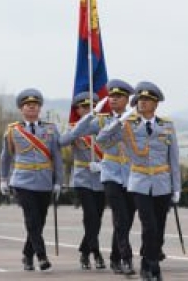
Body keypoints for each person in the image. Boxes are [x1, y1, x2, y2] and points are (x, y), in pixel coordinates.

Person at [97, 81, 181, 281]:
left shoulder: (167, 126)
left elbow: (174, 158)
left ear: (155, 104)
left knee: (159, 229)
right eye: (140, 99)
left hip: (162, 183)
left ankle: (147, 263)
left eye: (147, 100)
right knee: (148, 225)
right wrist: (119, 121)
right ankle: (152, 267)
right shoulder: (128, 125)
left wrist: (176, 187)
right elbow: (102, 139)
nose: (142, 103)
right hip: (139, 182)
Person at [64, 79, 137, 275]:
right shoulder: (102, 120)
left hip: (132, 175)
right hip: (110, 173)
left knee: (127, 220)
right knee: (120, 217)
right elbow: (74, 134)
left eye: (118, 96)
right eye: (111, 96)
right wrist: (91, 114)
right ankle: (126, 259)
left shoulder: (135, 119)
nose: (113, 99)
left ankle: (115, 257)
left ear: (127, 99)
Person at [0, 88, 64, 272]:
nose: (32, 108)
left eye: (35, 105)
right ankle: (41, 256)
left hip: (44, 181)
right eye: (28, 105)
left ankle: (27, 255)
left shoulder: (50, 129)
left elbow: (57, 157)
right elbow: (5, 157)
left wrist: (59, 181)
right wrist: (4, 179)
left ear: (40, 108)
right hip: (22, 181)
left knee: (40, 221)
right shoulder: (13, 130)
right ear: (22, 109)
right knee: (32, 219)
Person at [59, 92, 107, 271]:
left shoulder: (105, 125)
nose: (87, 109)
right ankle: (95, 251)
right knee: (90, 216)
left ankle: (85, 251)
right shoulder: (73, 127)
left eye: (91, 106)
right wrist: (83, 122)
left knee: (98, 218)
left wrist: (103, 165)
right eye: (84, 107)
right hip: (82, 177)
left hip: (102, 176)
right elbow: (62, 141)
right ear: (77, 109)